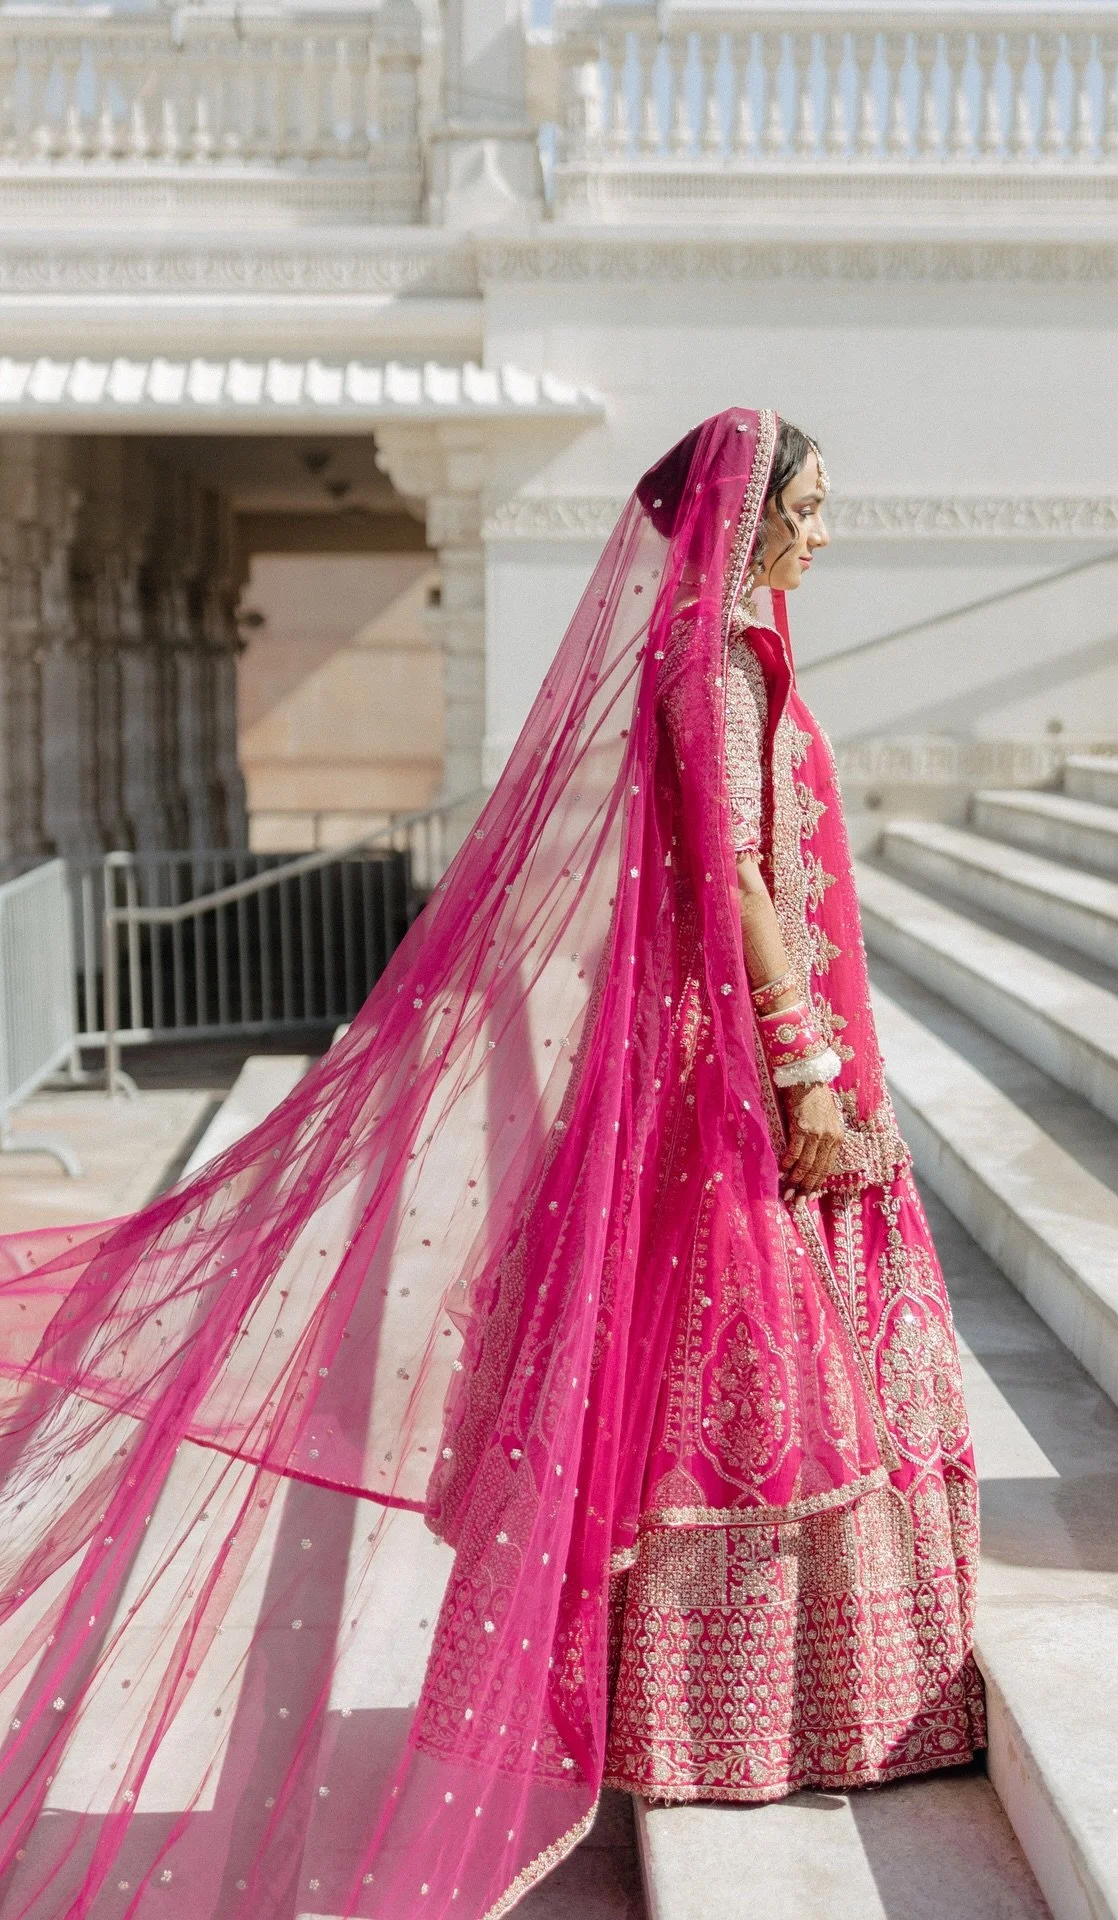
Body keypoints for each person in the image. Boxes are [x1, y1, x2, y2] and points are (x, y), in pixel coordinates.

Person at [0, 409, 981, 1920]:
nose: (824, 536)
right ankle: (736, 1718)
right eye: (814, 506)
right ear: (748, 511)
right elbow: (724, 870)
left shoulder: (729, 655)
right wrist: (803, 1059)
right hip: (737, 1066)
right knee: (749, 1369)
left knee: (779, 1359)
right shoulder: (706, 668)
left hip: (738, 1048)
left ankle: (761, 1706)